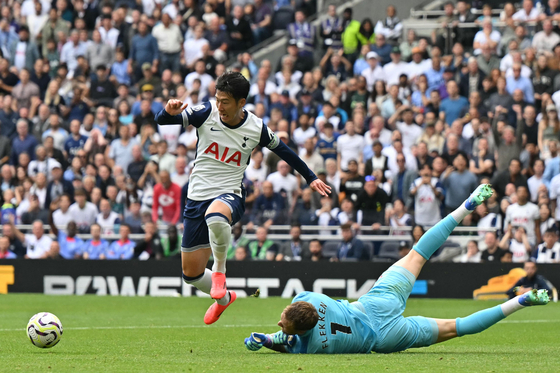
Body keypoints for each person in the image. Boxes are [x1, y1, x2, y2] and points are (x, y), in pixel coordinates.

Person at [244, 185, 551, 354]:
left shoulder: (314, 349)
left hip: (385, 337)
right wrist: (275, 335)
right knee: (419, 253)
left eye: (283, 320)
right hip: (377, 303)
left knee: (456, 327)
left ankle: (520, 301)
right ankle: (467, 205)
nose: (279, 320)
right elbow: (293, 329)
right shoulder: (312, 298)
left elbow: (288, 342)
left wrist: (270, 339)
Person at [154, 71, 331, 325]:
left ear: (241, 102)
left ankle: (220, 273)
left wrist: (310, 177)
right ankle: (224, 299)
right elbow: (161, 120)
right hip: (196, 198)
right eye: (218, 99)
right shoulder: (206, 112)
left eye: (225, 101)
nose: (220, 106)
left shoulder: (256, 128)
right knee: (191, 274)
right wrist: (168, 111)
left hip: (230, 194)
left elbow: (285, 151)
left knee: (215, 216)